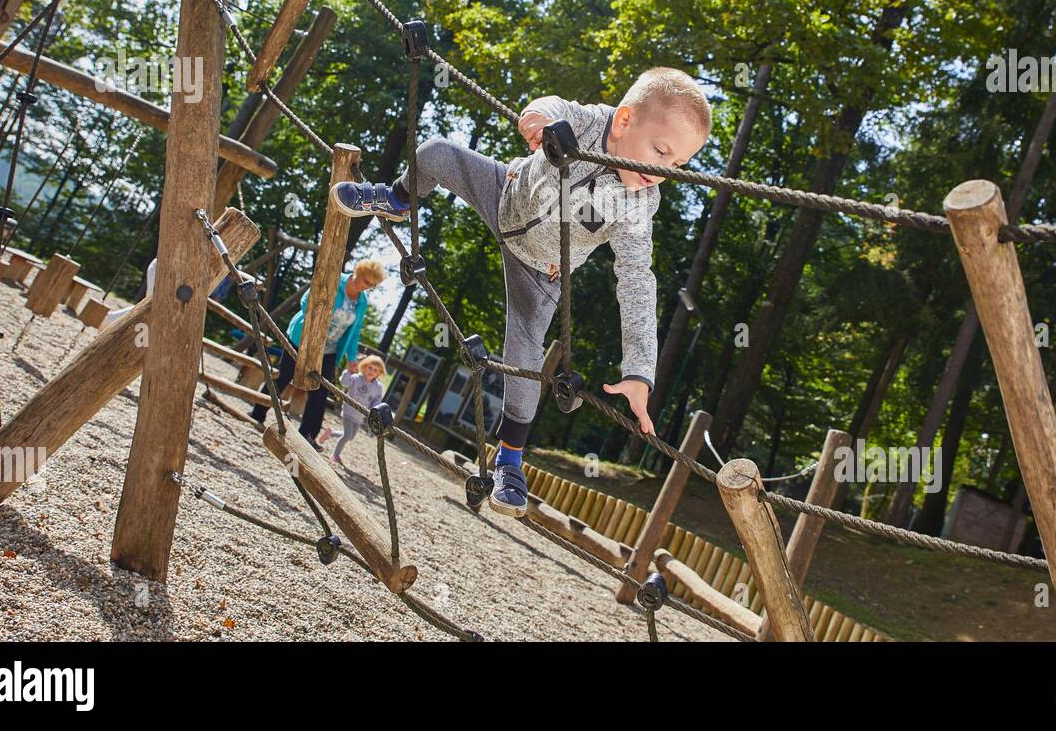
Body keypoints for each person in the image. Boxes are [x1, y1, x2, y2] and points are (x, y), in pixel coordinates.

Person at [330, 67, 712, 516]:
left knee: (525, 356)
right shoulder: (588, 123)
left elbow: (636, 279)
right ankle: (398, 198)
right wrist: (538, 120)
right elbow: (550, 104)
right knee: (435, 151)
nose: (659, 172)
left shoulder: (639, 203)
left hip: (541, 269)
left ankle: (510, 458)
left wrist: (640, 369)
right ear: (625, 121)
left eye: (677, 166)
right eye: (660, 152)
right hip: (504, 194)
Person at [249, 259, 386, 448]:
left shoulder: (362, 302)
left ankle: (308, 435)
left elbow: (354, 333)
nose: (366, 286)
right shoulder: (334, 281)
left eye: (372, 285)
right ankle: (258, 411)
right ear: (358, 273)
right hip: (304, 337)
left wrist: (352, 358)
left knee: (321, 391)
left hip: (330, 349)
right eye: (365, 281)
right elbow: (307, 301)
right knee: (283, 376)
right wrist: (314, 322)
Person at [333, 354, 387, 466]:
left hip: (360, 416)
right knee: (347, 435)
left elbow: (377, 400)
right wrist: (348, 372)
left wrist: (374, 410)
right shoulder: (357, 378)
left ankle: (331, 433)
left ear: (379, 373)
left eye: (375, 370)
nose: (372, 371)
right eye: (370, 368)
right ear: (364, 366)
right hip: (349, 411)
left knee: (351, 437)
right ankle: (335, 454)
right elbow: (344, 382)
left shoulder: (378, 387)